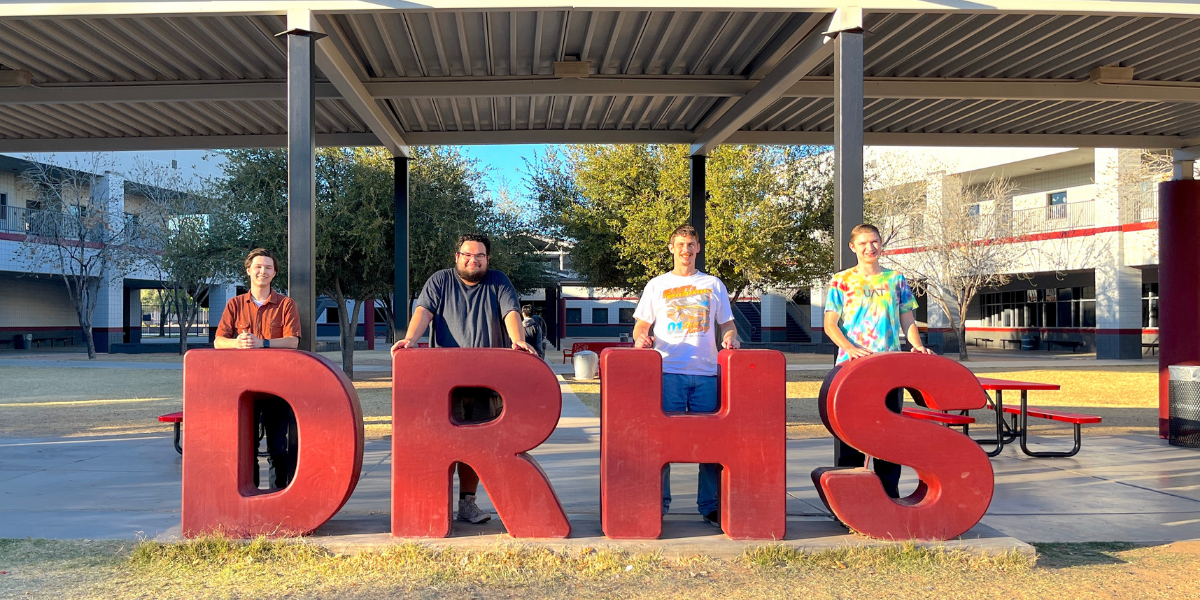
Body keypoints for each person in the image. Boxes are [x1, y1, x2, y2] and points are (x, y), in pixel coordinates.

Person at [391, 233, 537, 524]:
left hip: (488, 381)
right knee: (445, 444)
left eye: (480, 255)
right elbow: (424, 311)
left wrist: (517, 340)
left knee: (479, 445)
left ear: (487, 258)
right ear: (457, 256)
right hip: (447, 382)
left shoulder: (499, 281)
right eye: (468, 255)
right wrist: (410, 338)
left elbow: (511, 311)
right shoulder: (440, 281)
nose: (474, 260)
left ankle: (467, 504)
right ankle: (434, 504)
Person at [632, 224, 739, 530]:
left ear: (698, 249)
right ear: (671, 248)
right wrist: (641, 339)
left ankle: (711, 506)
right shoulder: (657, 285)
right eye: (680, 244)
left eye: (691, 244)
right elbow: (641, 326)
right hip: (668, 374)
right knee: (661, 445)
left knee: (712, 446)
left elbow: (727, 325)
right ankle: (659, 504)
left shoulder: (713, 284)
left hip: (706, 375)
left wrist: (731, 339)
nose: (686, 249)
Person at [822, 223, 934, 499]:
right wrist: (851, 348)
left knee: (888, 435)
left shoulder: (895, 280)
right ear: (853, 247)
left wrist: (917, 345)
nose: (869, 248)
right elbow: (830, 324)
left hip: (888, 369)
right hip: (851, 370)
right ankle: (848, 500)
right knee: (850, 435)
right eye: (863, 243)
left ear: (881, 244)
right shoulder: (842, 280)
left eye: (874, 242)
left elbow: (907, 319)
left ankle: (888, 498)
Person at [214, 248, 301, 490]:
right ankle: (249, 495)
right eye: (258, 267)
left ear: (274, 273)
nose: (263, 271)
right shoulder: (234, 304)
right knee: (246, 446)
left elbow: (293, 341)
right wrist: (236, 343)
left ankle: (279, 495)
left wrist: (262, 343)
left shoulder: (285, 304)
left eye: (268, 267)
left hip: (277, 388)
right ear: (249, 270)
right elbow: (218, 341)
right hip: (243, 389)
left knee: (277, 447)